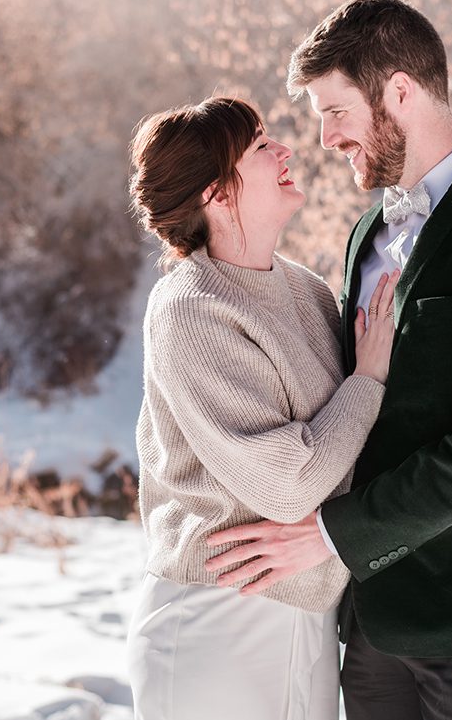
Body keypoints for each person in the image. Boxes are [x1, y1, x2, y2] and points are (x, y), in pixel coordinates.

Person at [206, 0, 452, 720]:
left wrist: (330, 534)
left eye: (336, 111)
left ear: (399, 91)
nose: (326, 139)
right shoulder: (369, 233)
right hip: (375, 623)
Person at [124, 96, 401, 720]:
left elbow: (342, 452)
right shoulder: (191, 309)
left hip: (306, 611)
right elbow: (288, 483)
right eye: (259, 147)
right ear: (217, 195)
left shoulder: (307, 291)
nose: (285, 151)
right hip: (217, 615)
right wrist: (369, 379)